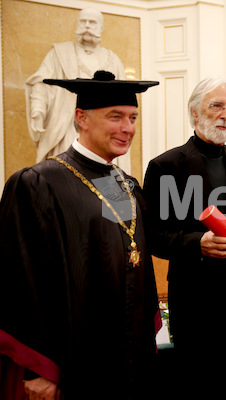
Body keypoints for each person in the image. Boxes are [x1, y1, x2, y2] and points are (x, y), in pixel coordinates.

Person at [0, 70, 160, 399]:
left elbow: (128, 250)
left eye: (132, 117)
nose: (127, 128)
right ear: (81, 118)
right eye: (115, 117)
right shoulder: (37, 183)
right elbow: (20, 279)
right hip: (71, 362)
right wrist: (39, 367)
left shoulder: (121, 185)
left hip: (124, 358)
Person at [143, 77, 226, 399]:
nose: (225, 114)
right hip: (197, 302)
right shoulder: (166, 165)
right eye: (216, 105)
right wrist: (196, 243)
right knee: (200, 386)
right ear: (194, 112)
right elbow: (152, 235)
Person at [25, 7, 129, 169]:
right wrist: (38, 111)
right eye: (83, 21)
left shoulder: (113, 60)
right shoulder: (59, 53)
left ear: (101, 28)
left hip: (106, 129)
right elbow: (41, 82)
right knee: (66, 172)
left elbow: (124, 97)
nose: (87, 26)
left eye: (92, 22)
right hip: (67, 125)